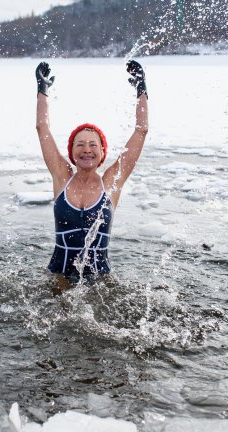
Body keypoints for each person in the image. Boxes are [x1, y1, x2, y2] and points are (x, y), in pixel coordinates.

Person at [35, 60, 149, 287]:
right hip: (59, 277)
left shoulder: (111, 181)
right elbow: (42, 128)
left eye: (93, 145)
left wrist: (141, 89)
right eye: (80, 144)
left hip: (100, 281)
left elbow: (141, 130)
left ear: (102, 152)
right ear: (72, 152)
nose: (87, 149)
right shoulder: (62, 177)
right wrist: (42, 90)